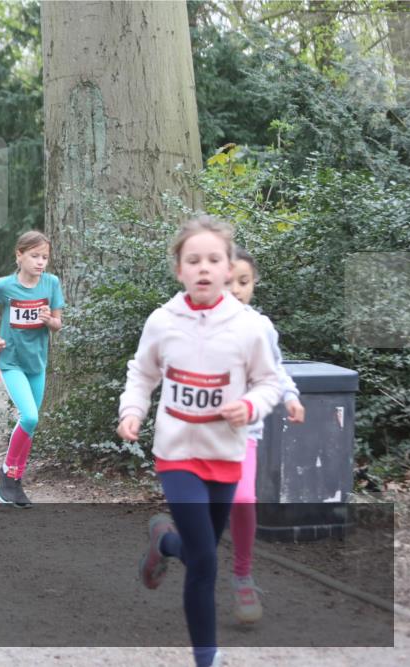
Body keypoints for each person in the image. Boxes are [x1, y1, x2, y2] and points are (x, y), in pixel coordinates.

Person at [117, 215, 282, 667]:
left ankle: (163, 543)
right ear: (179, 270)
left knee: (197, 548)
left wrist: (249, 407)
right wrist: (132, 410)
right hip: (177, 454)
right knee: (207, 561)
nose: (204, 267)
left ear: (229, 269)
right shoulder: (163, 321)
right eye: (194, 260)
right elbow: (142, 373)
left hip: (226, 454)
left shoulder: (248, 327)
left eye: (214, 259)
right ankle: (206, 658)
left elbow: (270, 382)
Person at [227, 246, 305, 624]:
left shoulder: (261, 327)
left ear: (254, 284)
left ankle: (243, 576)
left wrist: (290, 397)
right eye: (228, 282)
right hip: (200, 436)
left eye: (244, 282)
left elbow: (276, 371)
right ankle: (168, 541)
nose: (236, 289)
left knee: (244, 499)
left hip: (245, 433)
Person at [0, 231, 64, 508]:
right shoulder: (4, 286)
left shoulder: (51, 283)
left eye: (45, 257)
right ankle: (7, 474)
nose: (41, 262)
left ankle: (12, 479)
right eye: (35, 256)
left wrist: (48, 319)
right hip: (11, 361)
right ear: (19, 255)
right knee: (29, 417)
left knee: (31, 423)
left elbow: (57, 324)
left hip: (36, 362)